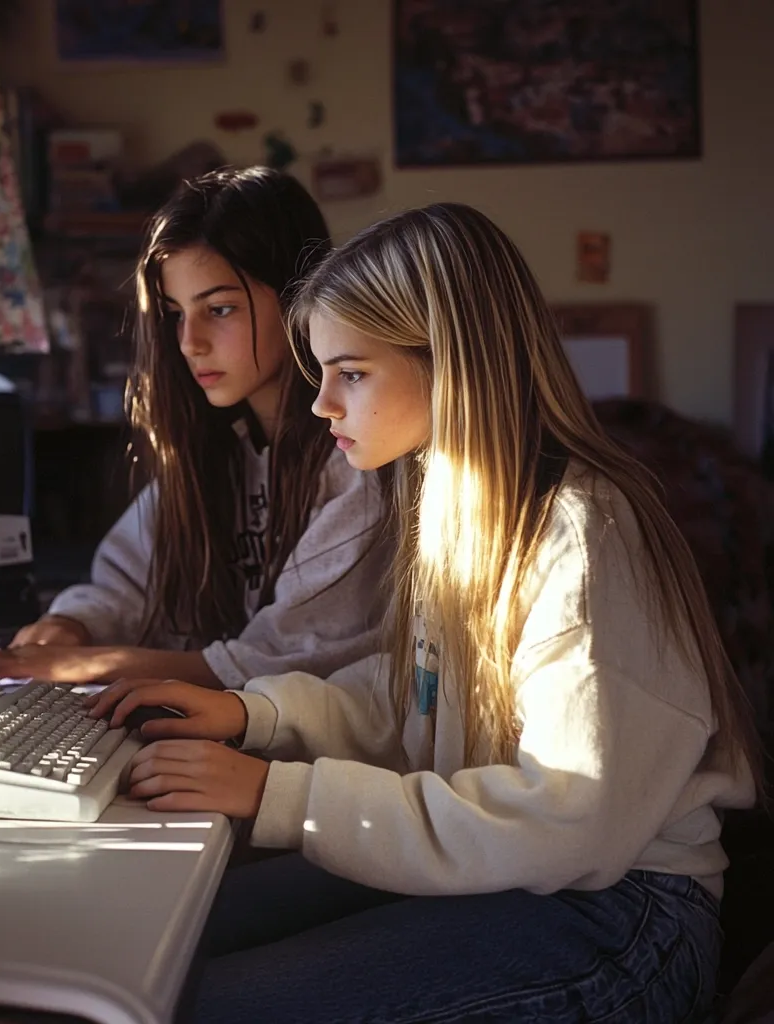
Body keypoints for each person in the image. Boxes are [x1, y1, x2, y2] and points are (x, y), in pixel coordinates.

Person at [87, 202, 764, 1023]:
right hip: (524, 870)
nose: (320, 404)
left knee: (199, 1006)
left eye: (352, 373)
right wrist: (252, 714)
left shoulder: (581, 537)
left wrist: (279, 793)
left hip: (625, 911)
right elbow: (414, 695)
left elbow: (567, 818)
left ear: (453, 365)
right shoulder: (451, 503)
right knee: (159, 944)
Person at [0, 167, 387, 690]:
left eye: (220, 308)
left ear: (299, 297)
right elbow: (123, 582)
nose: (190, 341)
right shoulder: (217, 449)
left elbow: (290, 657)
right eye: (175, 313)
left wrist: (101, 665)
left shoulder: (357, 458)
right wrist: (69, 626)